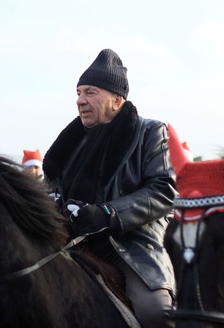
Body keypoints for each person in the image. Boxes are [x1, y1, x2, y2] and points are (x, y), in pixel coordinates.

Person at [43, 49, 177, 328]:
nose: (80, 100)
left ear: (117, 100)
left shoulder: (151, 132)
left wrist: (108, 214)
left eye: (90, 92)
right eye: (78, 92)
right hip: (69, 242)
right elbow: (50, 190)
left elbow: (163, 190)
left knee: (156, 313)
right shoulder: (69, 144)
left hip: (128, 245)